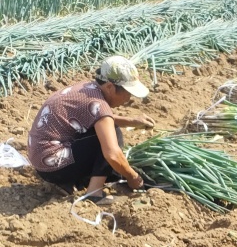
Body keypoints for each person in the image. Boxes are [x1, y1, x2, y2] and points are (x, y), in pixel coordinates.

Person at [28, 56, 153, 199]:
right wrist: (134, 178)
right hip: (54, 168)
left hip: (41, 160)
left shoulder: (86, 89)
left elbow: (99, 118)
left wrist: (132, 121)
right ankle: (94, 193)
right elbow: (112, 154)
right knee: (113, 134)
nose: (128, 99)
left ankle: (80, 180)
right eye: (127, 93)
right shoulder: (99, 105)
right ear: (110, 87)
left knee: (107, 134)